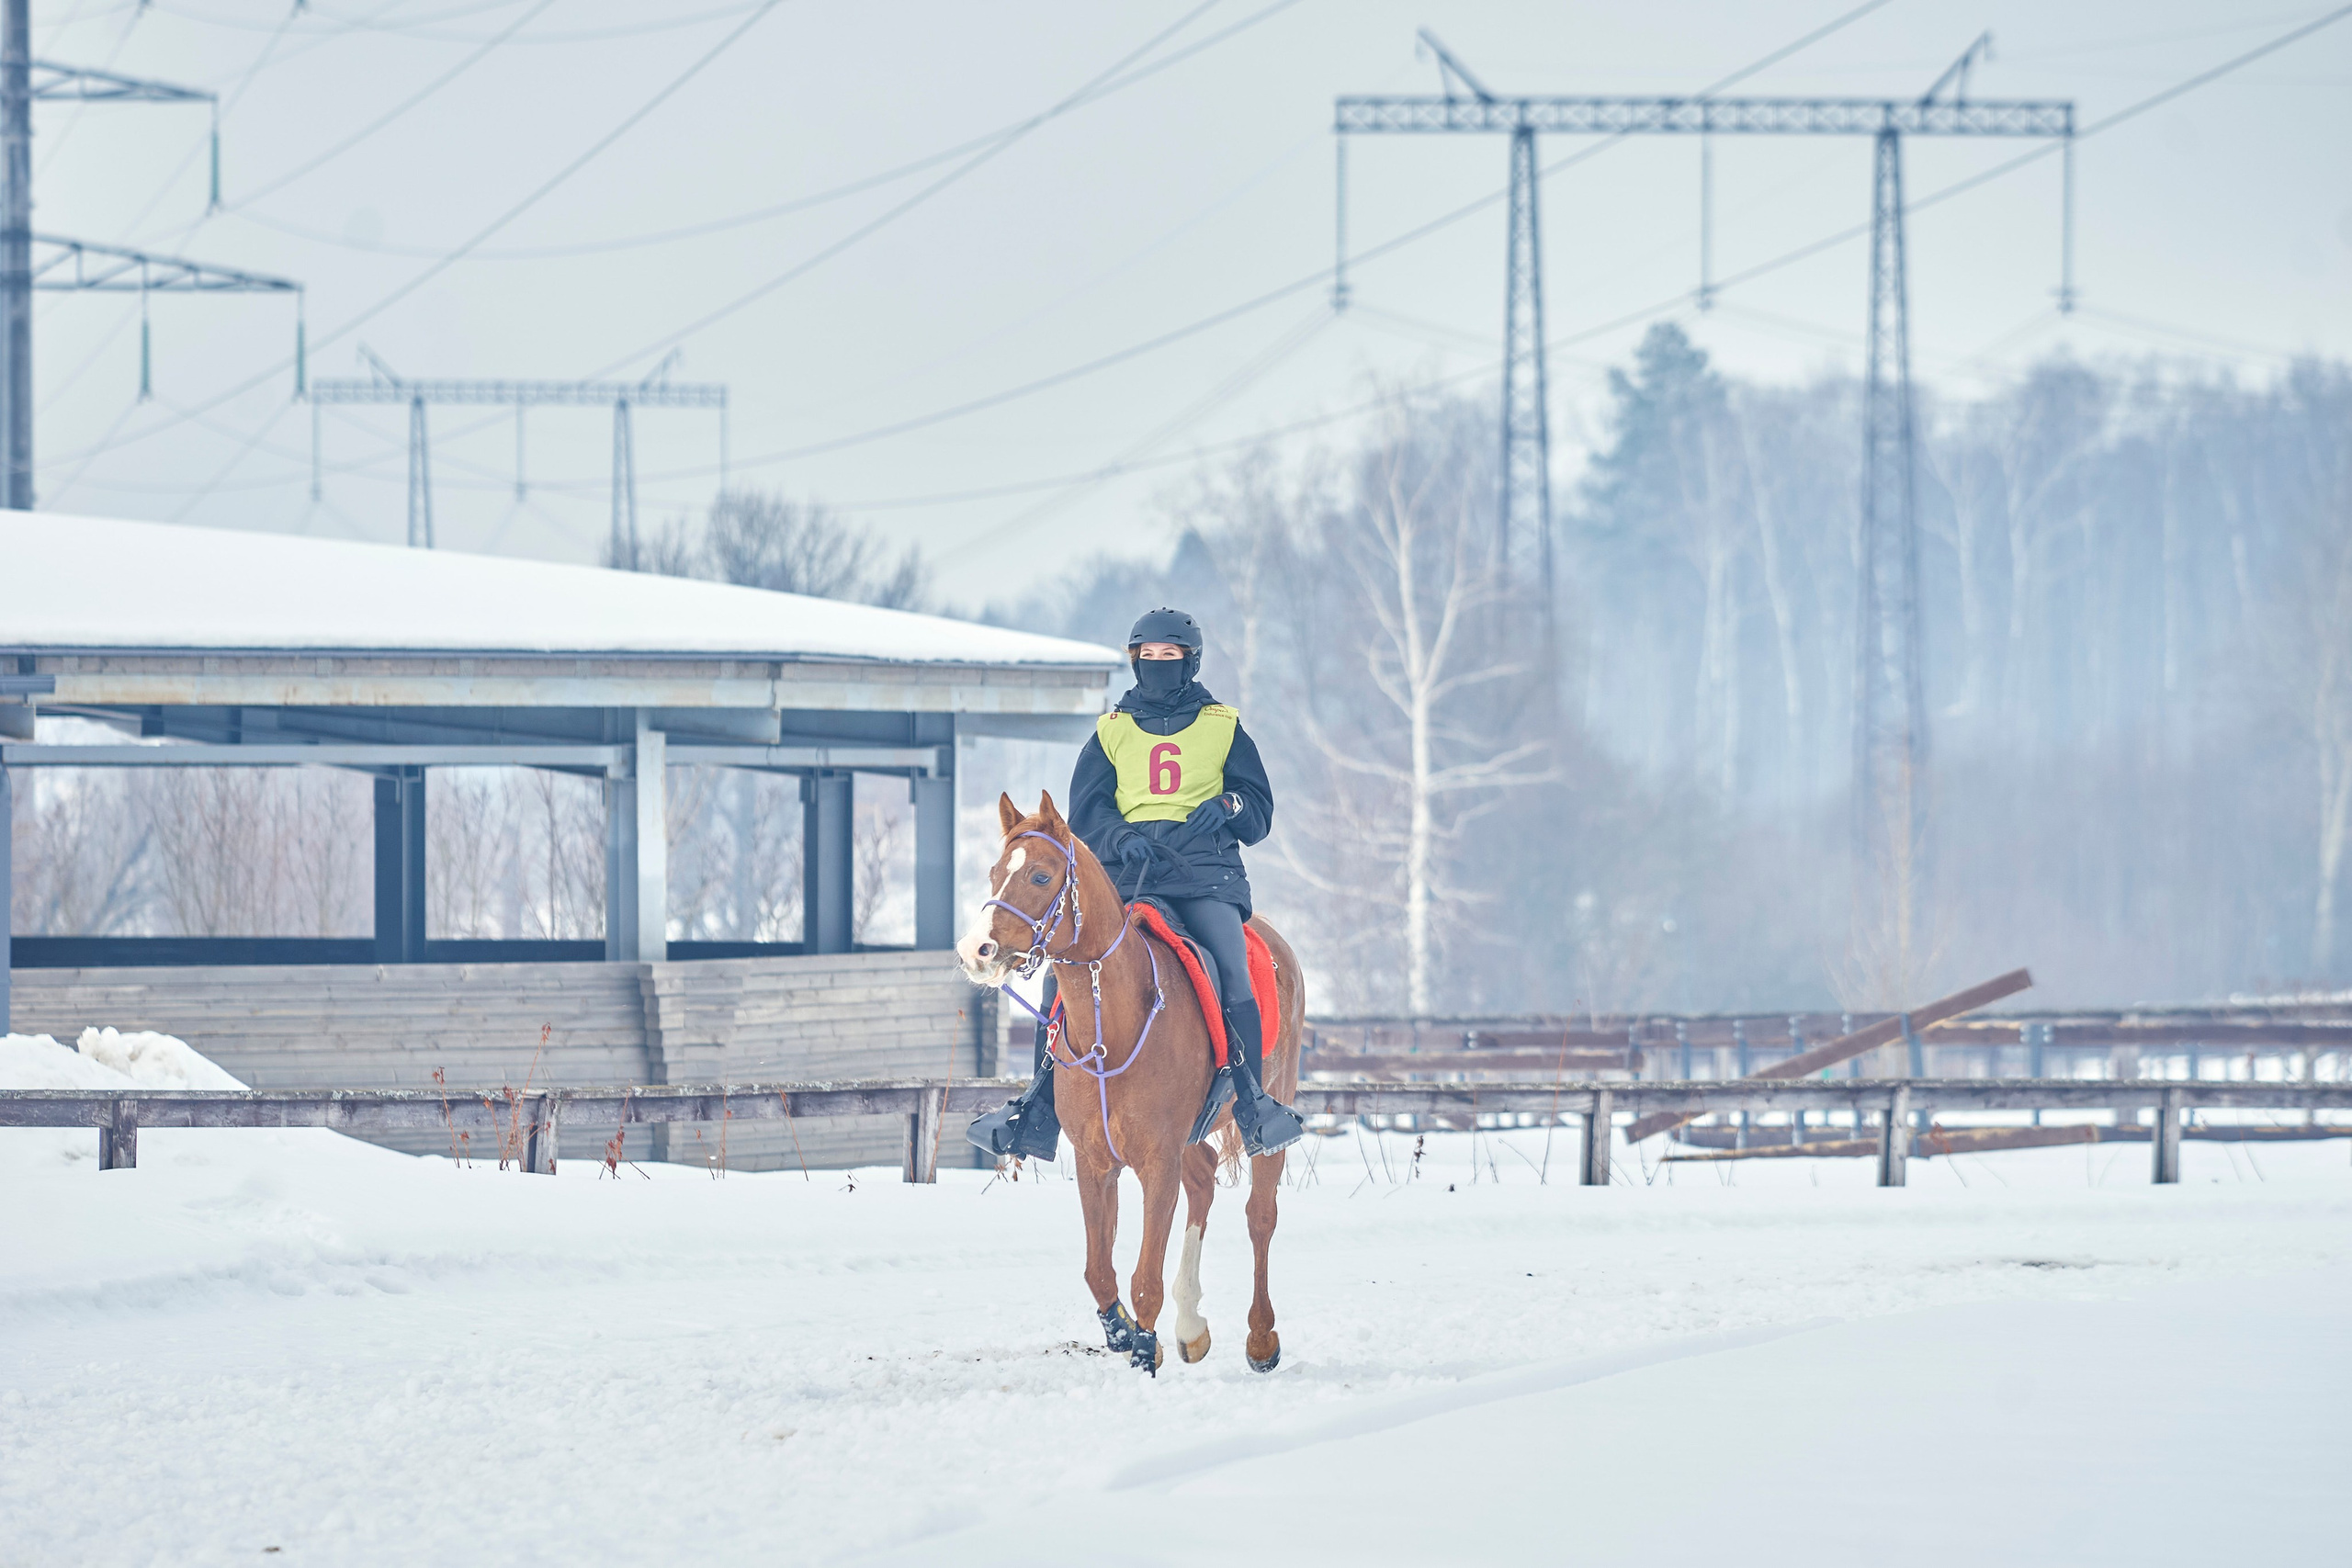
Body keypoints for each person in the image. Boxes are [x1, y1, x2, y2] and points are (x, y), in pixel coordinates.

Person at [967, 607, 1306, 1162]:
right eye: (1147, 657)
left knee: (1232, 970)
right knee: (1063, 973)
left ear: (1190, 662)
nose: (1157, 665)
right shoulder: (1112, 731)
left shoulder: (1223, 726)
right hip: (1129, 879)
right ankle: (1038, 1106)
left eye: (1168, 657)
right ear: (1134, 661)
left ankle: (1251, 1101)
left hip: (1204, 877)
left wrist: (1226, 806)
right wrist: (1118, 838)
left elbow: (1258, 808)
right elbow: (1087, 809)